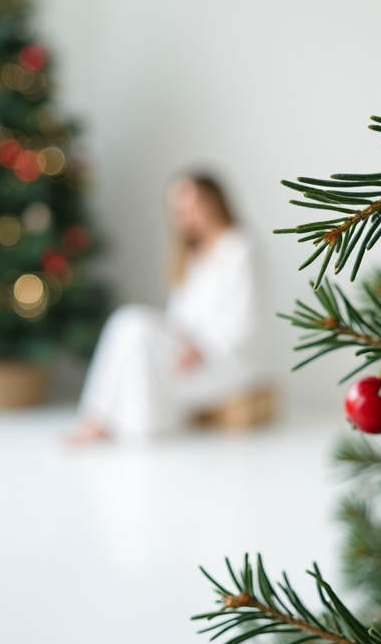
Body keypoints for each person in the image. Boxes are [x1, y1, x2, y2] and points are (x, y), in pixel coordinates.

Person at [67, 174, 269, 444]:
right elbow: (180, 318)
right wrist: (175, 336)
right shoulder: (192, 253)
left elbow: (247, 321)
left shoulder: (240, 247)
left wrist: (201, 348)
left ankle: (101, 422)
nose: (185, 215)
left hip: (226, 361)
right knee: (129, 324)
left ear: (214, 201)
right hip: (190, 350)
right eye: (178, 209)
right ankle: (106, 421)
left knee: (135, 328)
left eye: (193, 205)